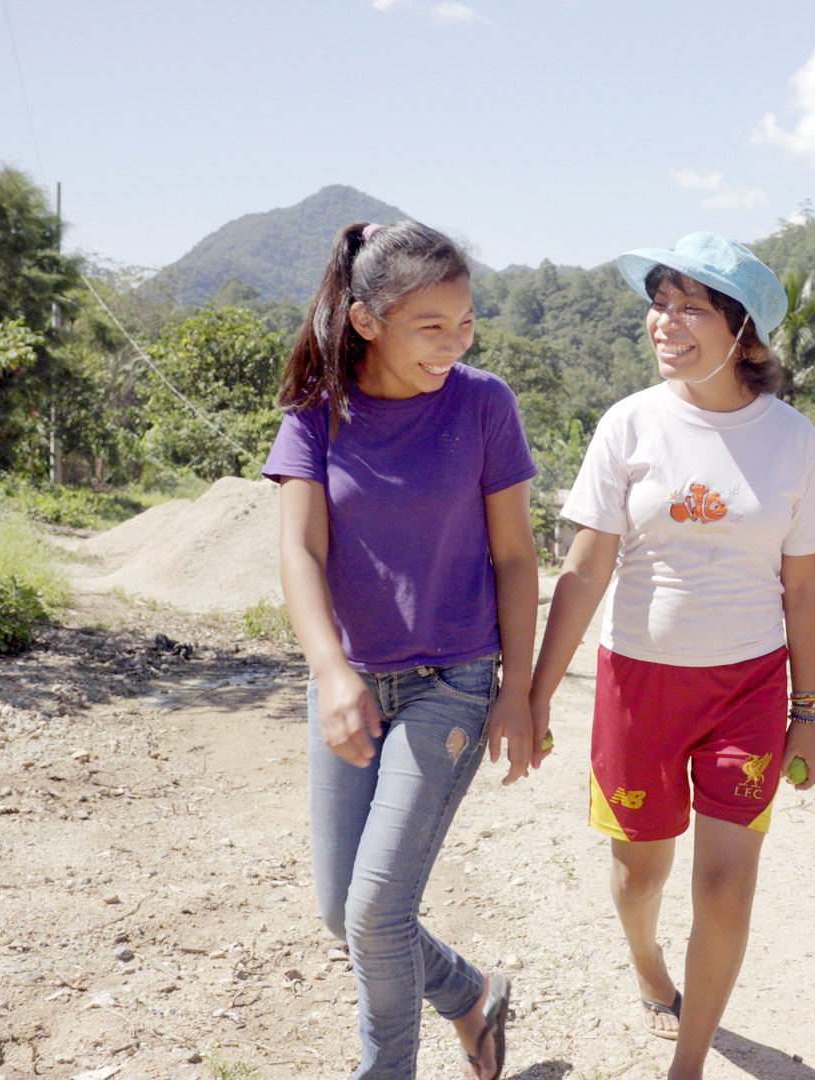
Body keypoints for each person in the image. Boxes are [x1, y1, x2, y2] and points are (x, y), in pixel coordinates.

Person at [528, 232, 815, 1080]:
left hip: (748, 686)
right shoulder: (630, 423)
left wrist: (805, 715)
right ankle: (646, 961)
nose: (665, 322)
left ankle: (690, 1063)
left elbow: (805, 590)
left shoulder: (793, 441)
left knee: (727, 887)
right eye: (658, 304)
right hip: (638, 686)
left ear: (745, 333)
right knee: (639, 874)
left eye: (689, 307)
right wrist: (538, 692)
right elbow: (586, 565)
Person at [264, 220, 537, 1080]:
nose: (454, 345)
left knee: (376, 913)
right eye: (433, 327)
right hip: (348, 685)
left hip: (450, 683)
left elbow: (517, 557)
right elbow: (299, 553)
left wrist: (519, 691)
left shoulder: (484, 403)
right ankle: (468, 994)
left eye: (465, 325)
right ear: (368, 320)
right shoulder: (316, 416)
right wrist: (331, 672)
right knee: (339, 909)